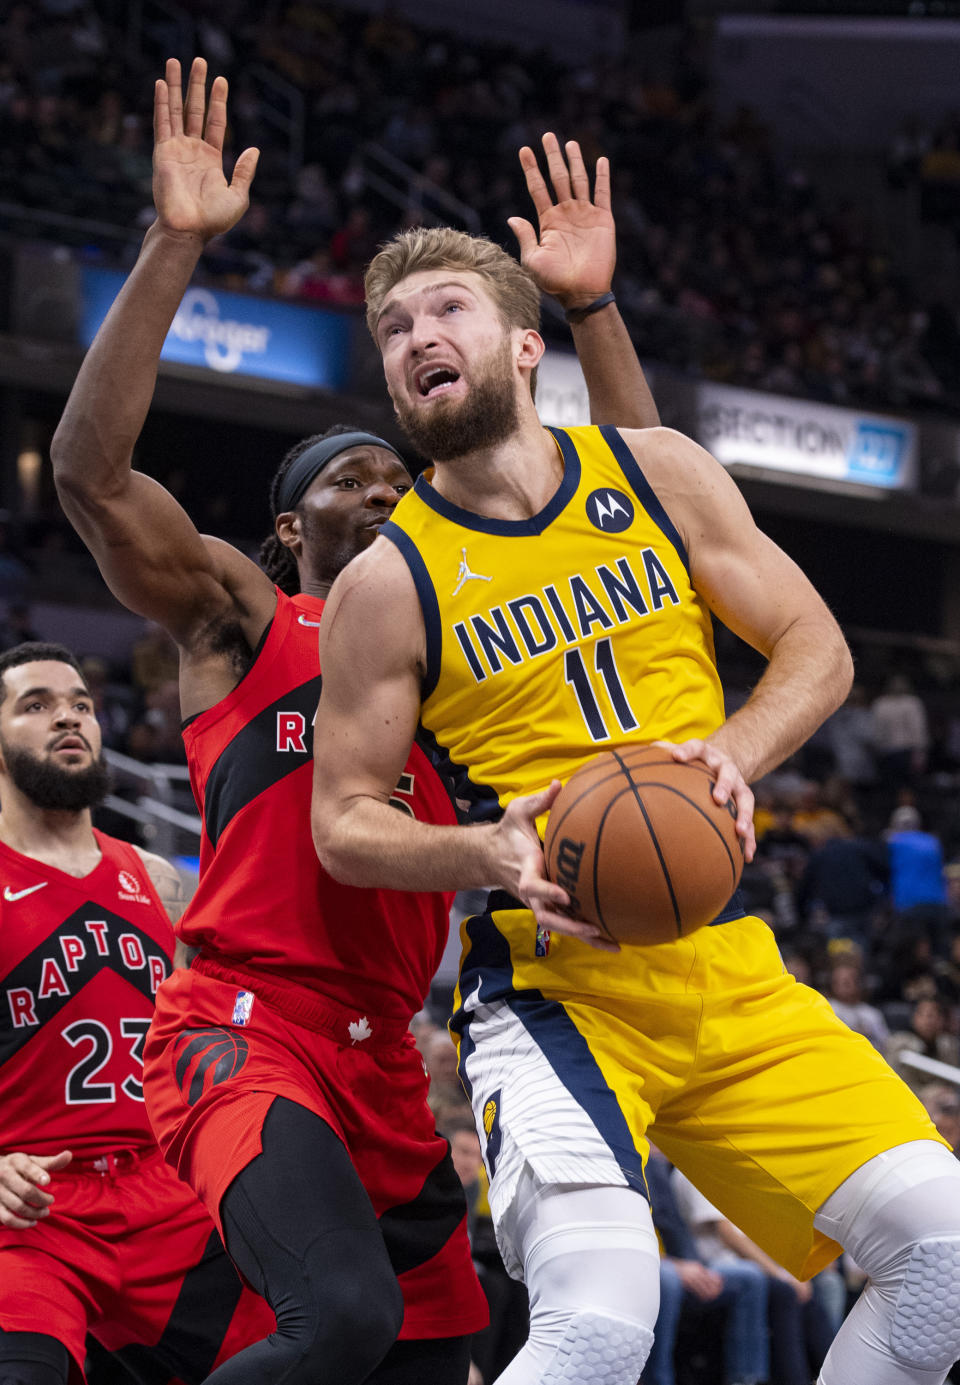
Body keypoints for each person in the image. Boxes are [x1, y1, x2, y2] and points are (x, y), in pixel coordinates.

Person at [50, 58, 658, 1385]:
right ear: (288, 529)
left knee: (445, 1355)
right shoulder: (243, 624)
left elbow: (646, 501)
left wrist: (593, 311)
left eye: (402, 472)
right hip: (243, 1027)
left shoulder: (447, 661)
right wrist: (175, 246)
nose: (389, 487)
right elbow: (93, 480)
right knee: (341, 1321)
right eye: (354, 478)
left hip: (391, 1059)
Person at [309, 158, 960, 1384]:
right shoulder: (386, 583)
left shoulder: (655, 472)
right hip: (555, 990)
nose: (414, 337)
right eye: (392, 328)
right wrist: (484, 847)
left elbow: (816, 645)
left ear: (519, 345)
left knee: (949, 1255)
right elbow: (341, 822)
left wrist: (735, 750)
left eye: (446, 309)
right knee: (604, 1322)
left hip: (726, 967)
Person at [0, 641, 276, 1385]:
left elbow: (215, 1040)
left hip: (166, 1197)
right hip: (32, 1215)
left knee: (333, 1342)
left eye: (81, 703)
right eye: (36, 704)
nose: (68, 716)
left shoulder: (158, 880)